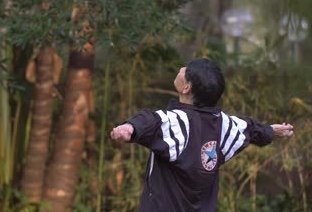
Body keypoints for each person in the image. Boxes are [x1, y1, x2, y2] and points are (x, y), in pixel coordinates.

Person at [110, 58, 294, 211]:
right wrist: (270, 130)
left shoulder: (177, 123)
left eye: (186, 70)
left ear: (186, 88)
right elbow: (249, 128)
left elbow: (151, 120)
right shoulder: (223, 124)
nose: (181, 69)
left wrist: (130, 128)